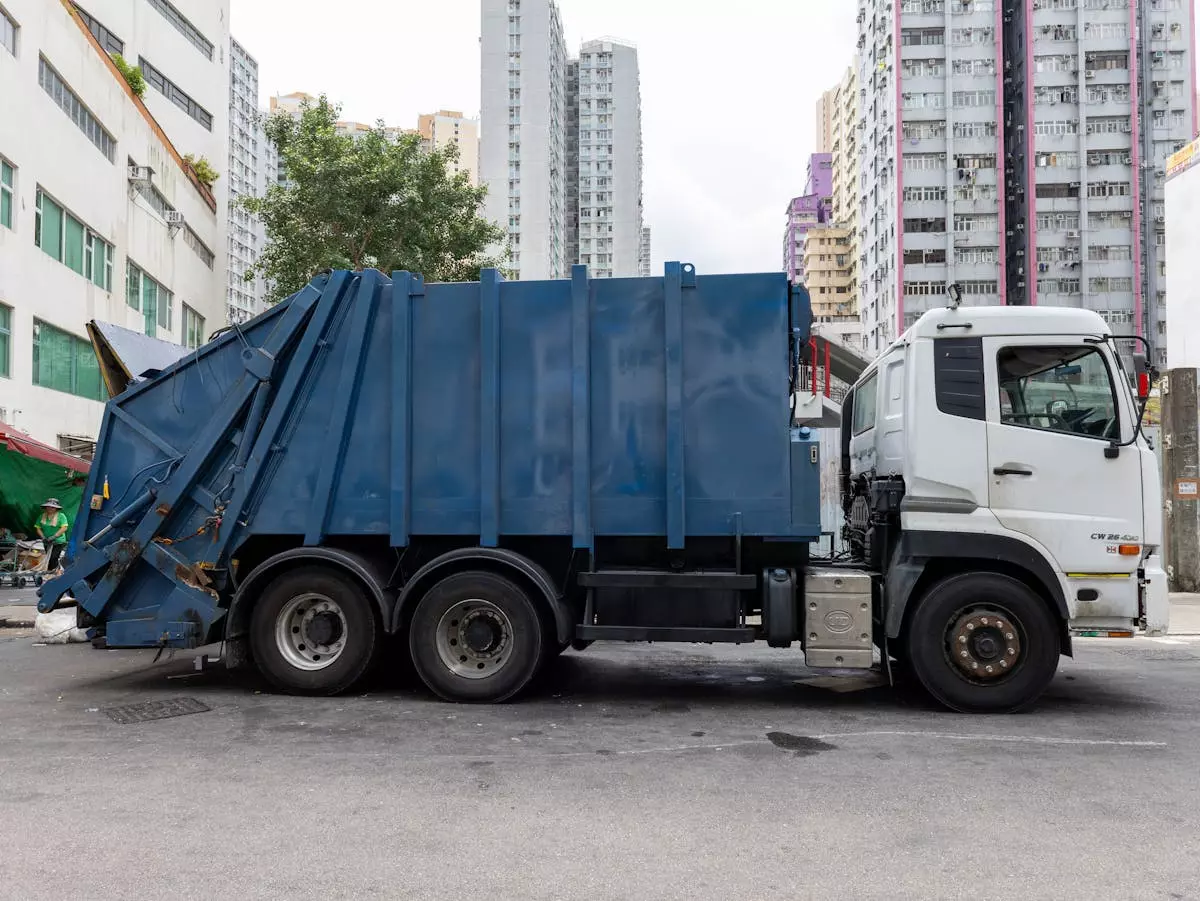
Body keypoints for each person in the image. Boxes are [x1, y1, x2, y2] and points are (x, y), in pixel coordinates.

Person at [34, 499, 69, 574]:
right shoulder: (41, 516)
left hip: (58, 541)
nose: (50, 508)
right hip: (47, 540)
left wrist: (54, 536)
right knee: (48, 557)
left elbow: (64, 528)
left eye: (52, 507)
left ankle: (55, 573)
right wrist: (43, 537)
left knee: (54, 557)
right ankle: (49, 573)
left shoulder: (61, 516)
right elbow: (38, 528)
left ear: (56, 508)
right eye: (48, 507)